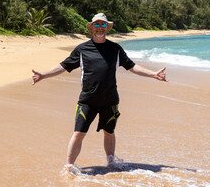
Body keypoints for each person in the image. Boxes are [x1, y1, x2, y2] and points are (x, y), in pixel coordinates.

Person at [32, 13, 167, 170]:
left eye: (103, 25)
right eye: (97, 25)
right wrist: (43, 75)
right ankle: (69, 166)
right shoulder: (82, 49)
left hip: (110, 100)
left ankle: (110, 162)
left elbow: (132, 66)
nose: (100, 28)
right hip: (87, 100)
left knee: (109, 132)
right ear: (92, 28)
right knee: (78, 133)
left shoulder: (115, 49)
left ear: (107, 28)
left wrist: (153, 74)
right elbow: (64, 66)